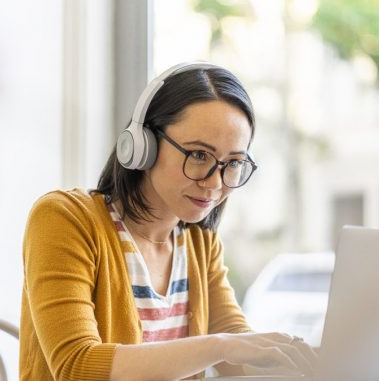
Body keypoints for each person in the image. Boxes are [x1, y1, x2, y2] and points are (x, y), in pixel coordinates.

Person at [19, 62, 317, 381]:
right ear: (143, 144)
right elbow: (77, 366)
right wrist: (220, 347)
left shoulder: (200, 245)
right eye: (199, 155)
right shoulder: (64, 219)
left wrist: (307, 362)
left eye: (233, 163)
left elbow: (238, 350)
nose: (215, 183)